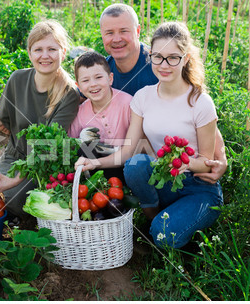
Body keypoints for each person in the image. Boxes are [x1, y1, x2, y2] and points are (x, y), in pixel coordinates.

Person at [76, 22, 223, 249]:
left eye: (172, 57)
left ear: (185, 58)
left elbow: (206, 162)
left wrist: (186, 163)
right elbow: (127, 152)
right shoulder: (143, 98)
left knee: (164, 236)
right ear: (150, 56)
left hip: (198, 187)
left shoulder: (199, 102)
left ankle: (172, 229)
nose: (164, 65)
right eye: (158, 57)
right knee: (136, 164)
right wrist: (93, 162)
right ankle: (152, 217)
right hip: (164, 182)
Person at [0, 20, 80, 224]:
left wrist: (15, 180)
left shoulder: (69, 93)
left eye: (52, 49)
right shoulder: (17, 79)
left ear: (63, 53)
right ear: (29, 53)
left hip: (46, 163)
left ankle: (29, 220)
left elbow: (50, 145)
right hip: (15, 157)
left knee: (18, 202)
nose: (45, 56)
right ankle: (21, 216)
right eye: (38, 49)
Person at [99, 3, 227, 183]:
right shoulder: (102, 72)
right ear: (102, 35)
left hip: (162, 159)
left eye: (123, 31)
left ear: (137, 31)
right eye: (109, 32)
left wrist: (221, 158)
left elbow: (201, 114)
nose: (117, 38)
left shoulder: (160, 64)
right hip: (131, 155)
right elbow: (82, 97)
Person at [68, 51, 132, 181]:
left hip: (128, 167)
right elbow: (69, 144)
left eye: (98, 77)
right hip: (96, 172)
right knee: (83, 148)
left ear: (110, 78)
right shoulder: (80, 113)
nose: (93, 84)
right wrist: (81, 141)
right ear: (78, 86)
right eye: (85, 80)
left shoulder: (128, 104)